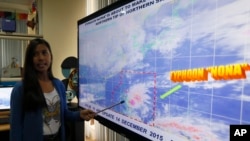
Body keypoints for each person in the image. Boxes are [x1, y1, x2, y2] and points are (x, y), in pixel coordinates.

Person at [10, 38, 96, 141]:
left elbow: (64, 114)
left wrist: (79, 115)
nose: (41, 58)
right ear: (30, 60)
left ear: (50, 56)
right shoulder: (20, 89)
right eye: (35, 54)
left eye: (44, 52)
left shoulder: (58, 85)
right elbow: (15, 128)